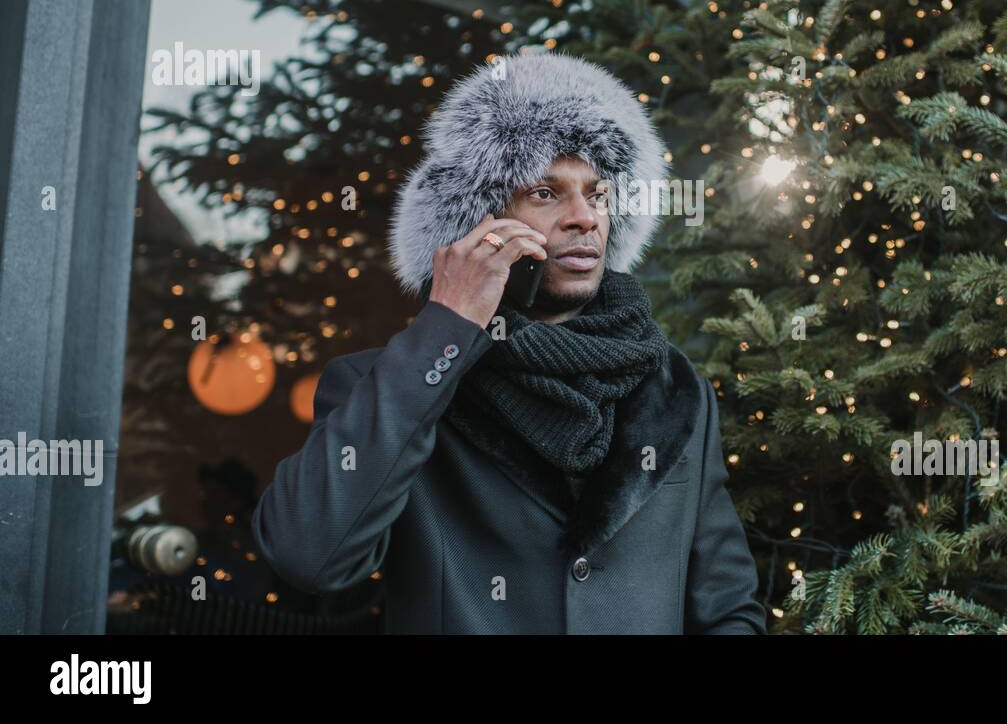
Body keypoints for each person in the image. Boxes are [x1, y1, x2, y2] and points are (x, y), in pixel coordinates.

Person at [252, 50, 767, 634]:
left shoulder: (678, 394)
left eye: (596, 193)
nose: (584, 217)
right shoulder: (387, 385)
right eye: (545, 193)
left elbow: (728, 611)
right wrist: (448, 324)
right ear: (478, 222)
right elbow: (308, 554)